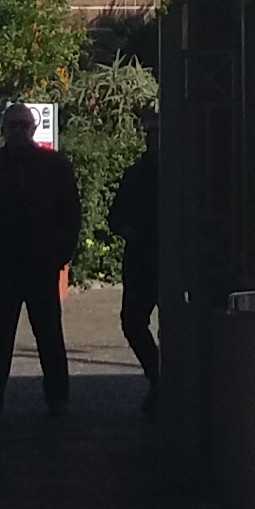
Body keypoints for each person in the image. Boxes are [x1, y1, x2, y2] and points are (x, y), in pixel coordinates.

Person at [0, 98, 82, 421]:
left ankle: (58, 398)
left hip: (41, 262)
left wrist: (60, 255)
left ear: (33, 128)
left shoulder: (55, 165)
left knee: (49, 336)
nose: (19, 131)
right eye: (14, 125)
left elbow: (71, 214)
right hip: (5, 262)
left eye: (24, 125)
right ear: (4, 129)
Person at [106, 109, 164, 416]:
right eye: (150, 134)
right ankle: (158, 377)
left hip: (171, 260)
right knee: (132, 321)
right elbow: (116, 216)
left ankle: (165, 383)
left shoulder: (182, 175)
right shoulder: (136, 174)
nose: (153, 139)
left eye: (159, 133)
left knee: (175, 324)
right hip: (142, 257)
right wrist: (129, 231)